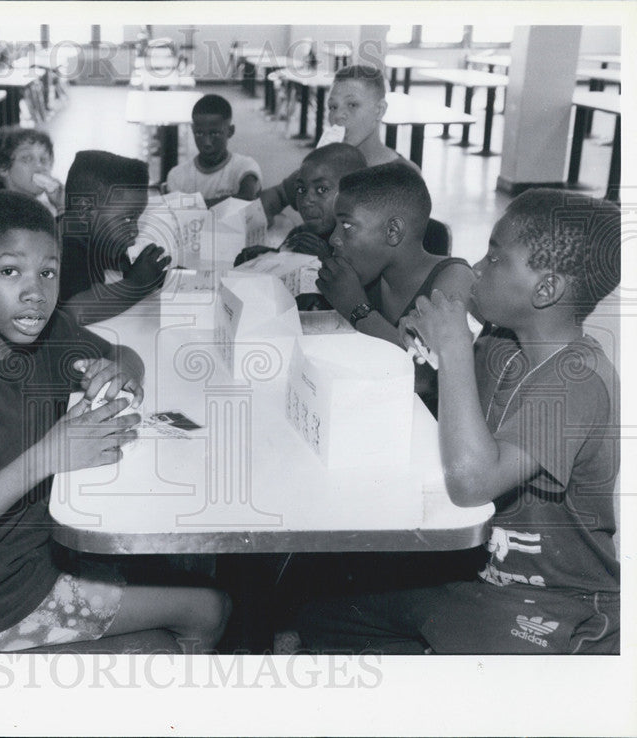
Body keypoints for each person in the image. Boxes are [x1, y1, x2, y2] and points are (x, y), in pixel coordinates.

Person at [0, 191, 229, 653]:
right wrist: (50, 455)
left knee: (194, 560)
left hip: (42, 551)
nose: (35, 292)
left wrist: (123, 370)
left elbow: (118, 352)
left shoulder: (43, 333)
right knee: (209, 605)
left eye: (47, 273)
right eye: (10, 271)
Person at [294, 190, 621, 654]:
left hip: (561, 600)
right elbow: (441, 400)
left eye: (495, 257)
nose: (479, 268)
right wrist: (429, 349)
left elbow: (471, 482)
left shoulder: (578, 382)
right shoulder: (502, 345)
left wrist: (452, 351)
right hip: (480, 573)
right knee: (323, 612)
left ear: (545, 290)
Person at [316, 161, 475, 415]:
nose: (334, 238)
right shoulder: (367, 274)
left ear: (393, 231)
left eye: (346, 227)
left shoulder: (453, 283)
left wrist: (357, 310)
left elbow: (423, 379)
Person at [59, 150, 171, 325]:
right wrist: (137, 283)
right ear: (85, 211)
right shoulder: (64, 246)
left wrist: (152, 273)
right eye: (127, 219)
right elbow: (76, 311)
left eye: (137, 219)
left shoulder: (89, 235)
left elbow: (117, 262)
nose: (134, 230)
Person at [235, 143, 368, 266]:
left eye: (322, 189)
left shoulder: (362, 244)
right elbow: (285, 264)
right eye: (301, 189)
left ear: (353, 193)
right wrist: (266, 256)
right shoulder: (301, 235)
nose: (306, 200)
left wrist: (326, 262)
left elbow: (357, 289)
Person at [165, 93, 262, 207]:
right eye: (199, 133)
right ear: (192, 130)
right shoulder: (177, 175)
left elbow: (247, 199)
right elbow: (174, 214)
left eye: (214, 133)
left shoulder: (245, 166)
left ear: (230, 131)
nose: (207, 143)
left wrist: (192, 207)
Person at [325, 64, 416, 169]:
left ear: (379, 110)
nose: (337, 115)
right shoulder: (324, 168)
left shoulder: (406, 176)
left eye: (352, 105)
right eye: (333, 107)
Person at [0, 126, 63, 217]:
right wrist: (63, 209)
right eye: (27, 159)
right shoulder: (1, 213)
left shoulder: (43, 208)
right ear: (3, 167)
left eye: (43, 160)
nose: (39, 167)